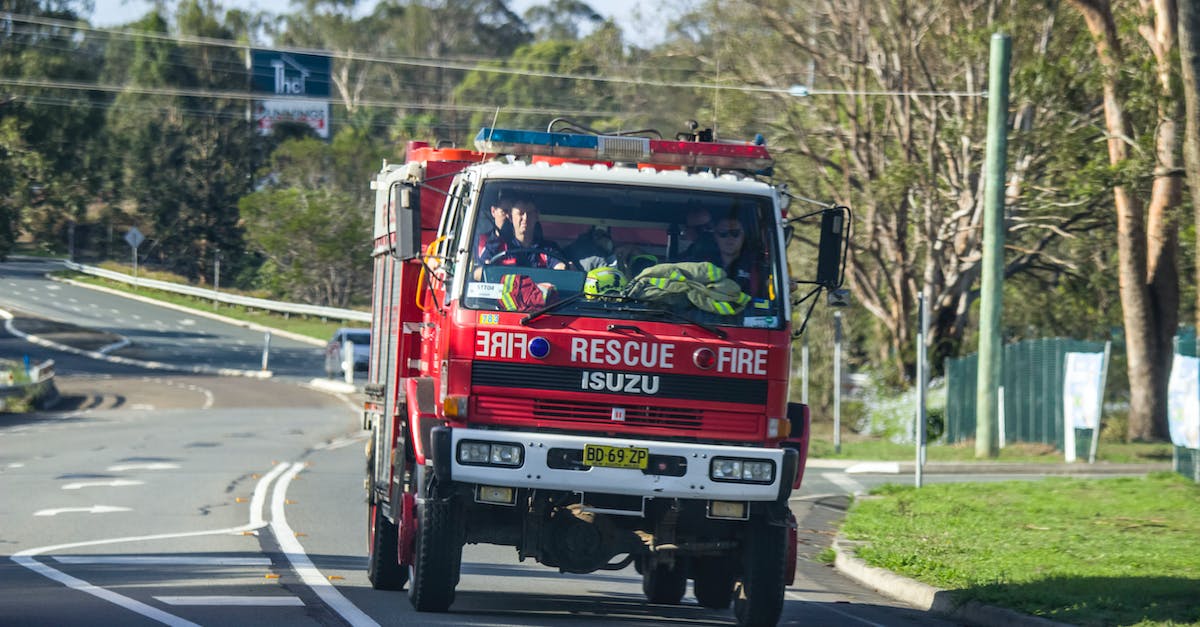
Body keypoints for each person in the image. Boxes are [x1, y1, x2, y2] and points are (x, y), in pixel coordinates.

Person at [475, 197, 568, 278]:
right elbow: (478, 274)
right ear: (510, 217)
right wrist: (487, 270)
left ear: (536, 216)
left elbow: (560, 268)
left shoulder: (549, 249)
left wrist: (564, 268)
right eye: (521, 213)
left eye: (530, 213)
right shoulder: (496, 247)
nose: (525, 218)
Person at [691, 214, 763, 296]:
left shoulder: (757, 266)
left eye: (735, 233)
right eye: (723, 233)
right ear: (715, 237)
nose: (729, 238)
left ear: (743, 236)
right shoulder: (702, 266)